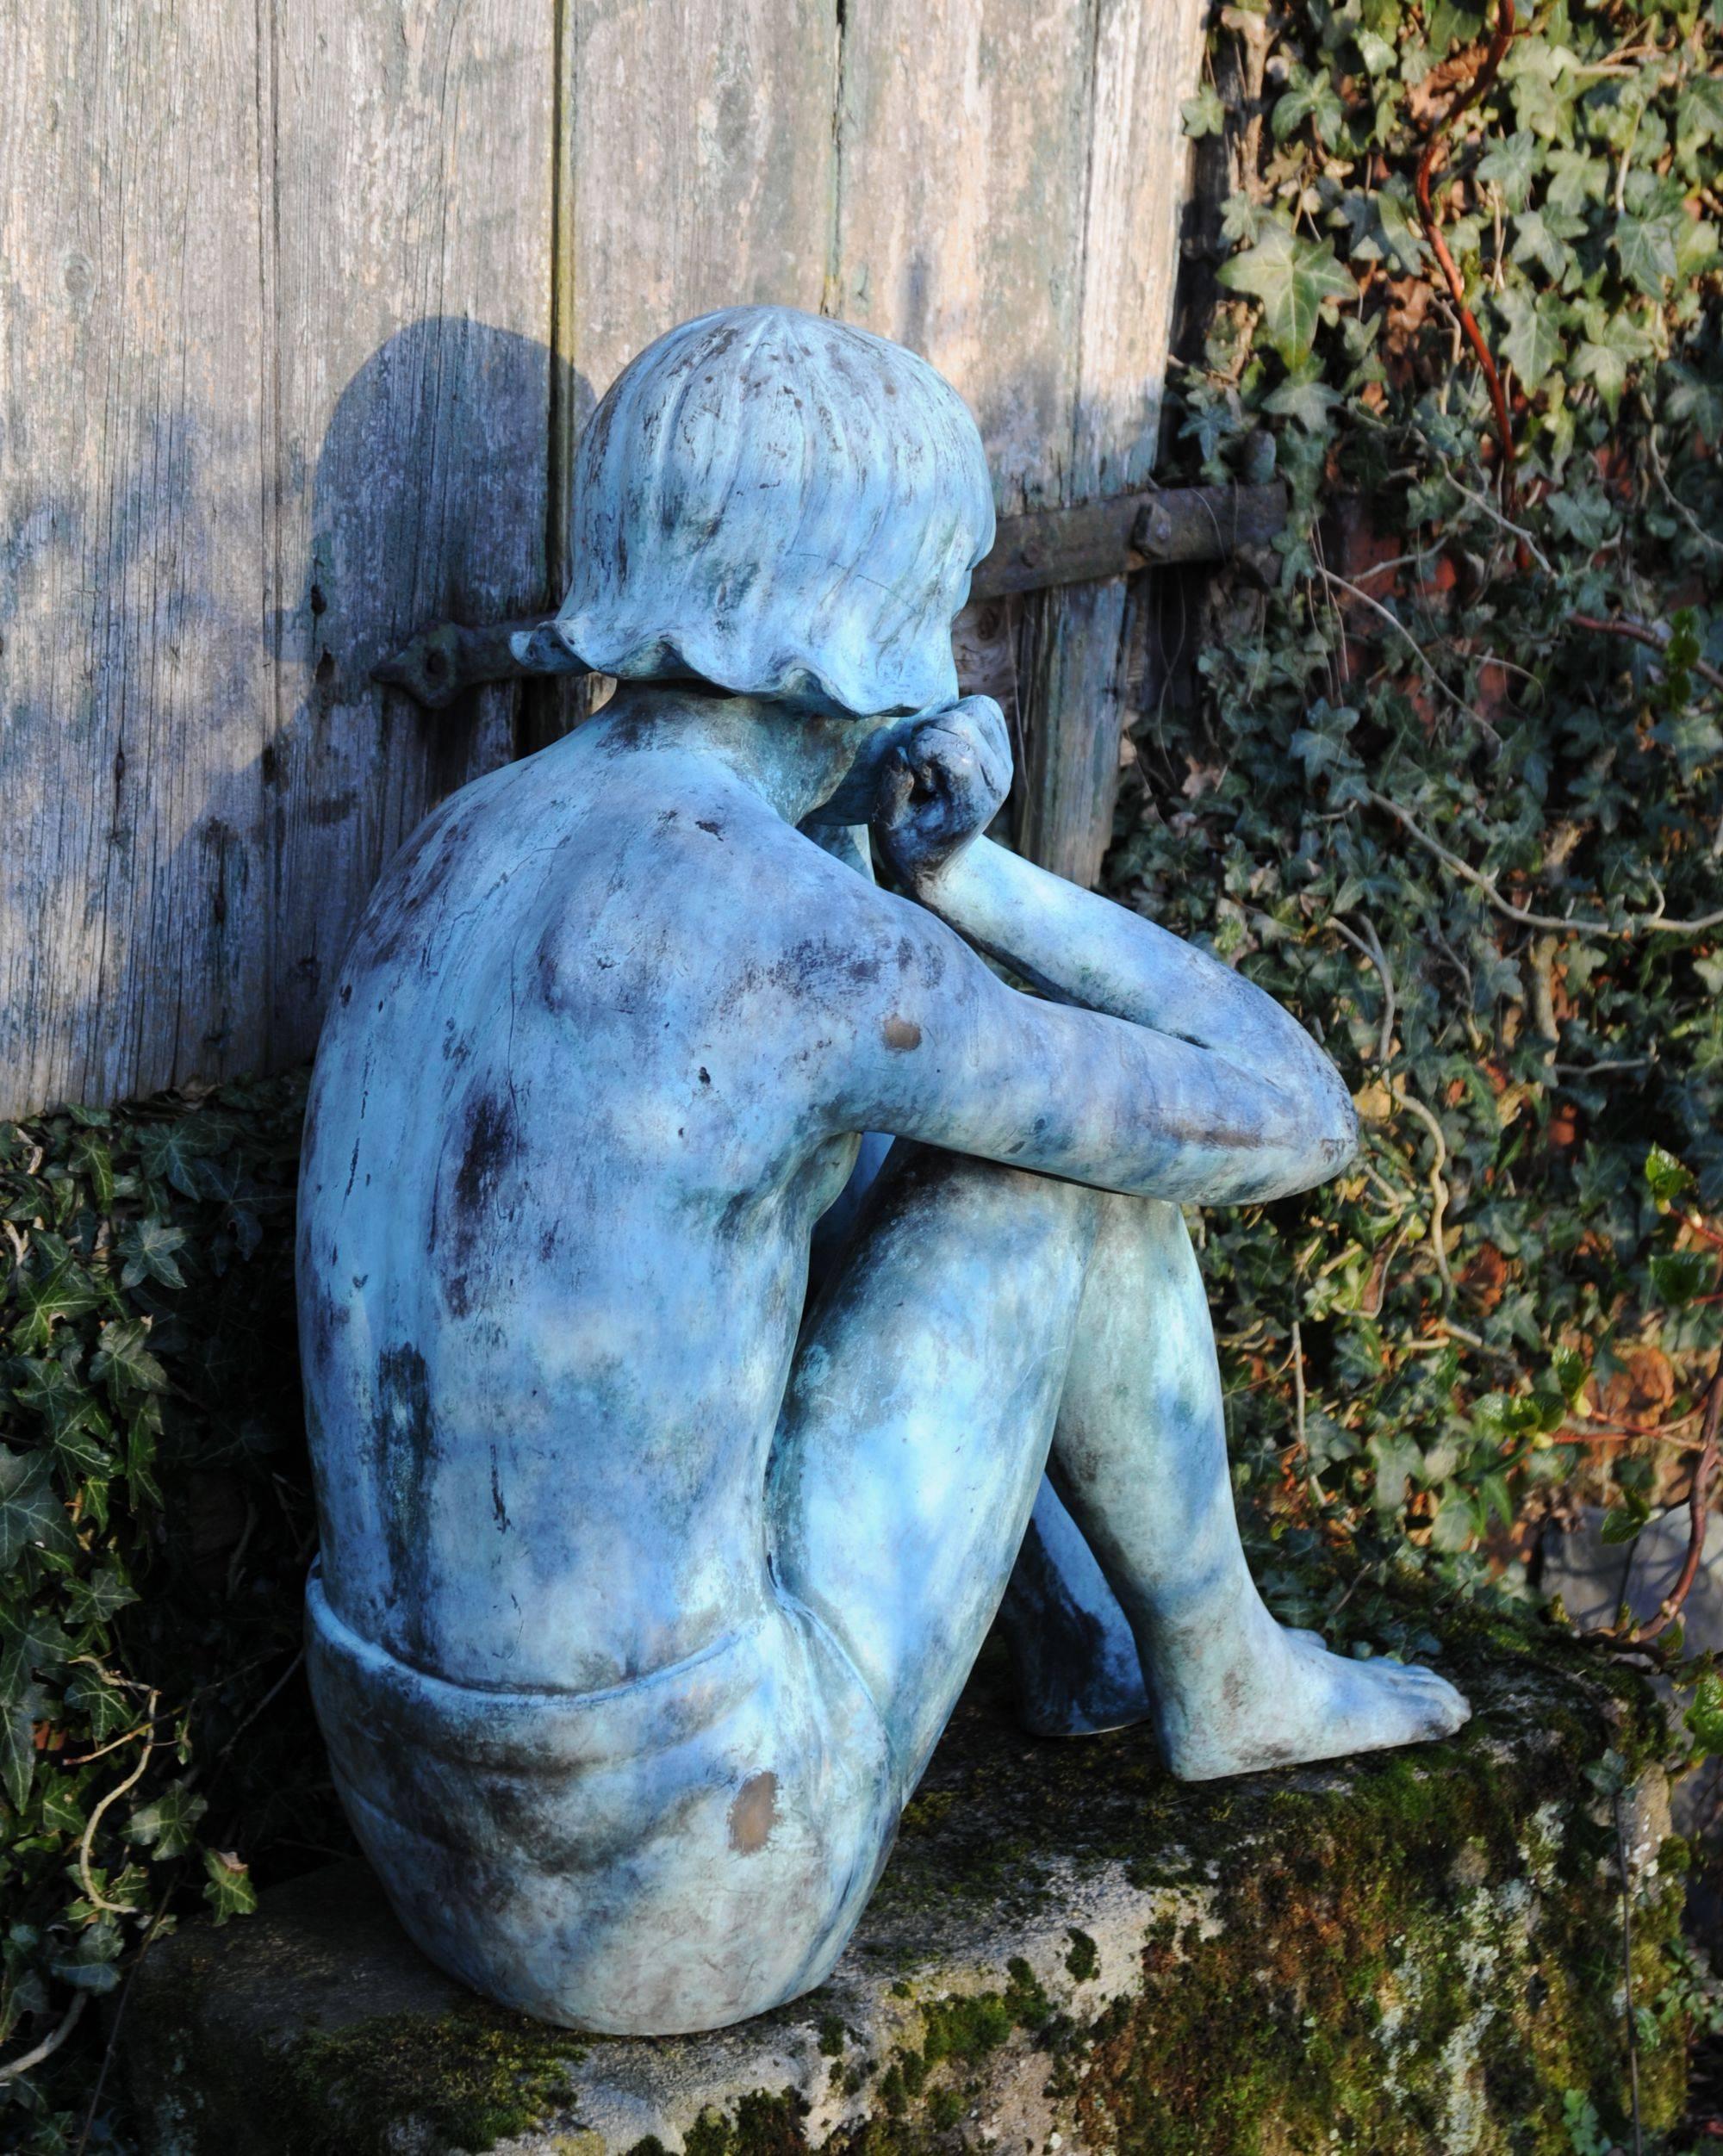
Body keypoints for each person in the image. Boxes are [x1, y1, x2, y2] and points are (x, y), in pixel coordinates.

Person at [299, 305, 1467, 2038]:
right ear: (867, 611)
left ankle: (1080, 1638)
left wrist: (875, 845)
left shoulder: (471, 841)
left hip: (414, 1818)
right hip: (686, 1882)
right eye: (946, 586)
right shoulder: (815, 950)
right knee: (1056, 1174)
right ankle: (1228, 1676)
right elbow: (1296, 1111)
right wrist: (975, 887)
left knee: (899, 1161)